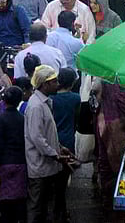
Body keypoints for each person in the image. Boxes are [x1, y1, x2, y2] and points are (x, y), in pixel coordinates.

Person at [24, 65, 71, 223]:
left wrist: (59, 148)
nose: (58, 84)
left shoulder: (43, 102)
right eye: (54, 82)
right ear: (44, 84)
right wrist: (55, 154)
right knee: (36, 206)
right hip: (39, 166)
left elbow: (47, 133)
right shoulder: (36, 106)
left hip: (47, 165)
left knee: (43, 206)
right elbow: (37, 137)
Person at [93, 80, 125, 207]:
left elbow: (94, 99)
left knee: (107, 157)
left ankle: (109, 196)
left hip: (109, 122)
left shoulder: (102, 78)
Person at [0, 86, 28, 223]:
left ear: (4, 101)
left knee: (4, 205)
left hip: (3, 166)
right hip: (21, 165)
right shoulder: (23, 119)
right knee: (19, 203)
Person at [50, 67, 80, 222]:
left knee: (53, 180)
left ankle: (56, 211)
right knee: (63, 180)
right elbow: (77, 119)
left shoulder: (50, 99)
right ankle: (60, 212)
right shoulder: (75, 99)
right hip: (68, 141)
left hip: (52, 141)